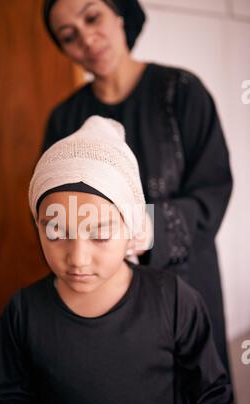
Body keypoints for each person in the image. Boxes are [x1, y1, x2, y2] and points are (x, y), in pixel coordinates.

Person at [0, 116, 236, 404]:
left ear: (131, 226)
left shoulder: (174, 301)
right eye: (56, 233)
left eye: (100, 234)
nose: (78, 258)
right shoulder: (22, 313)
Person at [42, 0, 233, 376]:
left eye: (92, 17)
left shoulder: (182, 92)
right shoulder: (64, 120)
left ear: (119, 14)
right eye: (69, 36)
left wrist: (149, 225)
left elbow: (212, 191)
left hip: (188, 285)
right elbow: (50, 209)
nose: (87, 39)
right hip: (106, 302)